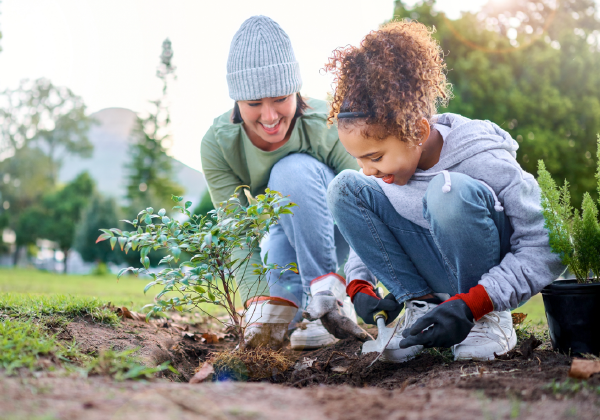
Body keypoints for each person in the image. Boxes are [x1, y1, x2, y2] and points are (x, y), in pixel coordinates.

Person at [323, 20, 565, 361]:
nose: (368, 169)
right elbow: (376, 227)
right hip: (432, 280)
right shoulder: (388, 170)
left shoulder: (483, 157)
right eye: (359, 158)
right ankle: (420, 309)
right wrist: (359, 283)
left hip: (483, 290)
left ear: (419, 132)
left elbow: (550, 244)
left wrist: (475, 303)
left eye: (375, 157)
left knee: (447, 192)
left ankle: (487, 322)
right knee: (344, 188)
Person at [201, 15, 366, 350]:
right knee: (278, 318)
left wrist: (357, 283)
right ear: (236, 101)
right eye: (253, 103)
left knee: (290, 172)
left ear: (296, 90)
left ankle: (327, 296)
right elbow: (237, 232)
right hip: (283, 231)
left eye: (279, 98)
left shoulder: (328, 123)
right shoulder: (218, 144)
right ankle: (303, 308)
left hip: (335, 229)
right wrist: (256, 301)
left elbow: (364, 205)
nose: (270, 116)